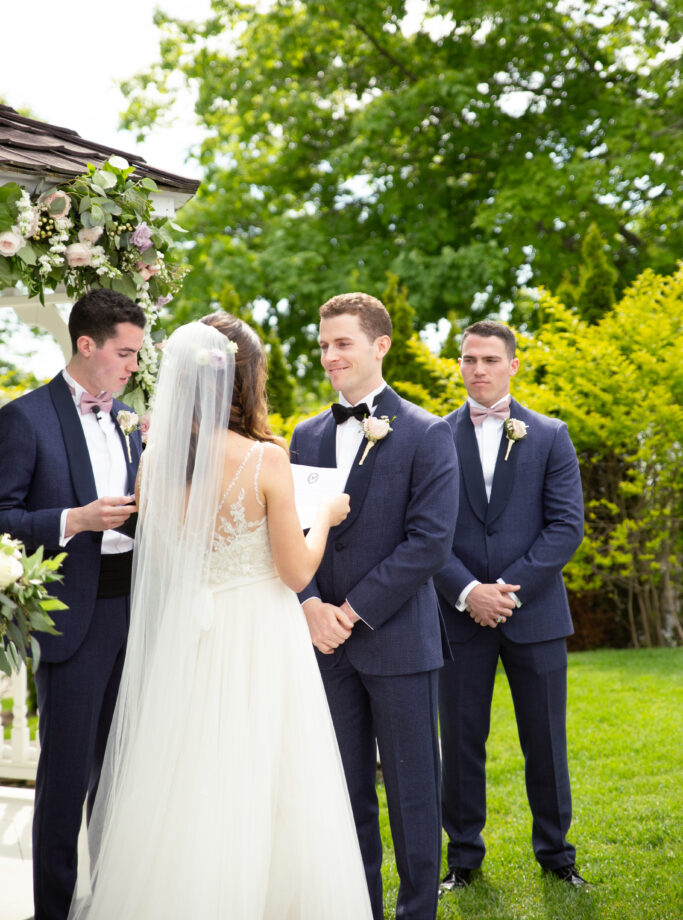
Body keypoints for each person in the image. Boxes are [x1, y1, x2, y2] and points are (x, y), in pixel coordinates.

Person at [67, 313, 373, 920]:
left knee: (190, 778)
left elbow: (165, 558)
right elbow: (295, 574)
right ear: (248, 380)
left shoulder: (154, 461)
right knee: (267, 779)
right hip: (260, 636)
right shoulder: (264, 459)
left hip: (190, 637)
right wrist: (326, 519)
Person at [290, 292, 460, 920]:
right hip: (323, 647)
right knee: (344, 793)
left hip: (397, 640)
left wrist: (350, 611)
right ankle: (358, 907)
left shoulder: (427, 432)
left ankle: (418, 911)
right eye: (324, 343)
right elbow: (289, 532)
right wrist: (310, 605)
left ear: (379, 345)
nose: (330, 355)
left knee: (414, 795)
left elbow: (429, 543)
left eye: (343, 343)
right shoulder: (305, 434)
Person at [0, 289, 145, 920]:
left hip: (134, 617)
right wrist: (73, 520)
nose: (133, 366)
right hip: (72, 625)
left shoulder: (127, 418)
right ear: (86, 346)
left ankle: (106, 900)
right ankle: (52, 912)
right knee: (66, 784)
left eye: (137, 355)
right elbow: (3, 517)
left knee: (120, 777)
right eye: (125, 352)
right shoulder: (25, 418)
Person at [435, 320, 589, 893]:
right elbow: (425, 530)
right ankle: (464, 860)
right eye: (470, 359)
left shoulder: (550, 435)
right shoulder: (434, 435)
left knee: (546, 742)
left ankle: (557, 855)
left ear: (513, 365)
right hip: (457, 615)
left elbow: (565, 526)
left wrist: (505, 590)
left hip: (537, 616)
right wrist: (467, 592)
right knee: (462, 740)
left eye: (490, 360)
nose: (478, 369)